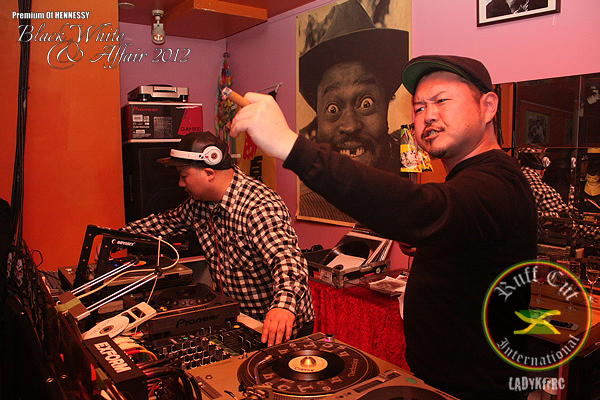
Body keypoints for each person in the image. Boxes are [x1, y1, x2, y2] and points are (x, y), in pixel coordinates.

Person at [230, 55, 537, 399]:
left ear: (488, 106)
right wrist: (434, 244)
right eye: (419, 107)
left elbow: (424, 208)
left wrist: (291, 147)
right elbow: (458, 225)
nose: (428, 115)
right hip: (437, 381)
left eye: (441, 100)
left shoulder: (499, 181)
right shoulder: (469, 181)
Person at [119, 131, 314, 347]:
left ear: (209, 173)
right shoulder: (199, 205)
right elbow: (165, 222)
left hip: (279, 323)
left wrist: (283, 306)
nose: (180, 184)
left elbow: (287, 259)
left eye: (184, 175)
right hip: (241, 318)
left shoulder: (259, 206)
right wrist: (117, 238)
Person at [297, 0, 409, 222]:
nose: (349, 125)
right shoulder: (308, 202)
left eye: (366, 103)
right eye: (333, 108)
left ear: (387, 102)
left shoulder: (416, 185)